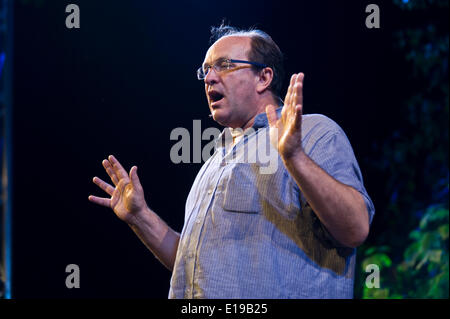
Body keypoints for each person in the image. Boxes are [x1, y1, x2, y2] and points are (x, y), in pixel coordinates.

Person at [88, 25, 375, 298]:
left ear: (263, 78)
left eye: (224, 65)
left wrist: (294, 156)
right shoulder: (213, 163)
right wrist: (140, 217)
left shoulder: (314, 132)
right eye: (206, 70)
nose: (210, 78)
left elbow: (355, 228)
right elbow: (194, 266)